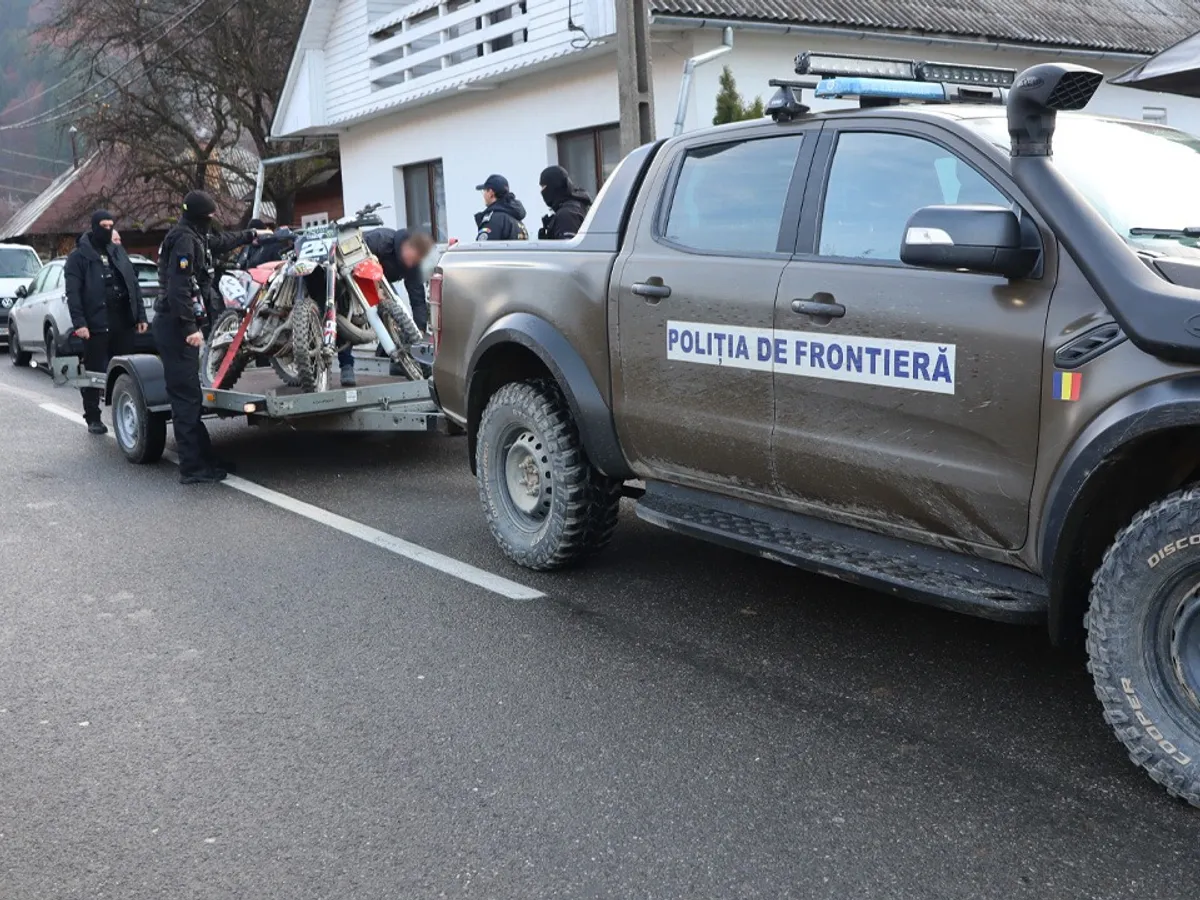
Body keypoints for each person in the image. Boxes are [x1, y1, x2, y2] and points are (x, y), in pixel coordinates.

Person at [154, 190, 265, 484]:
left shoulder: (195, 236)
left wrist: (250, 235)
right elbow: (178, 289)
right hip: (176, 327)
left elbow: (219, 242)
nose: (214, 219)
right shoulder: (184, 240)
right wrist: (189, 329)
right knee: (185, 399)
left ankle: (204, 459)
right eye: (211, 214)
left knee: (191, 396)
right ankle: (192, 469)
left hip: (179, 326)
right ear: (201, 215)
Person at [65, 210, 147, 434]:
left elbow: (133, 285)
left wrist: (140, 315)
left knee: (126, 370)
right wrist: (80, 323)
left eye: (111, 225)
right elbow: (73, 293)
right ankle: (92, 416)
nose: (108, 229)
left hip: (122, 321)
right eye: (104, 225)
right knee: (92, 372)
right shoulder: (78, 257)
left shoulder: (117, 251)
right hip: (94, 324)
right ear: (94, 226)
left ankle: (129, 413)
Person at [337, 228, 435, 386]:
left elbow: (417, 299)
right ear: (407, 247)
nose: (413, 263)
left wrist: (418, 331)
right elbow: (353, 260)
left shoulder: (413, 263)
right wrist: (376, 289)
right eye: (413, 257)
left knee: (395, 309)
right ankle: (346, 365)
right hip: (351, 276)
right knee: (344, 311)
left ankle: (398, 361)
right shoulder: (380, 241)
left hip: (382, 280)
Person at [537, 166, 592, 240]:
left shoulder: (567, 215)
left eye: (543, 186)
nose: (541, 191)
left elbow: (568, 249)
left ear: (553, 186)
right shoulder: (577, 207)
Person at [474, 175, 528, 242]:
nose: (484, 195)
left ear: (491, 193)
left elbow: (483, 249)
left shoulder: (494, 219)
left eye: (484, 191)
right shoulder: (518, 221)